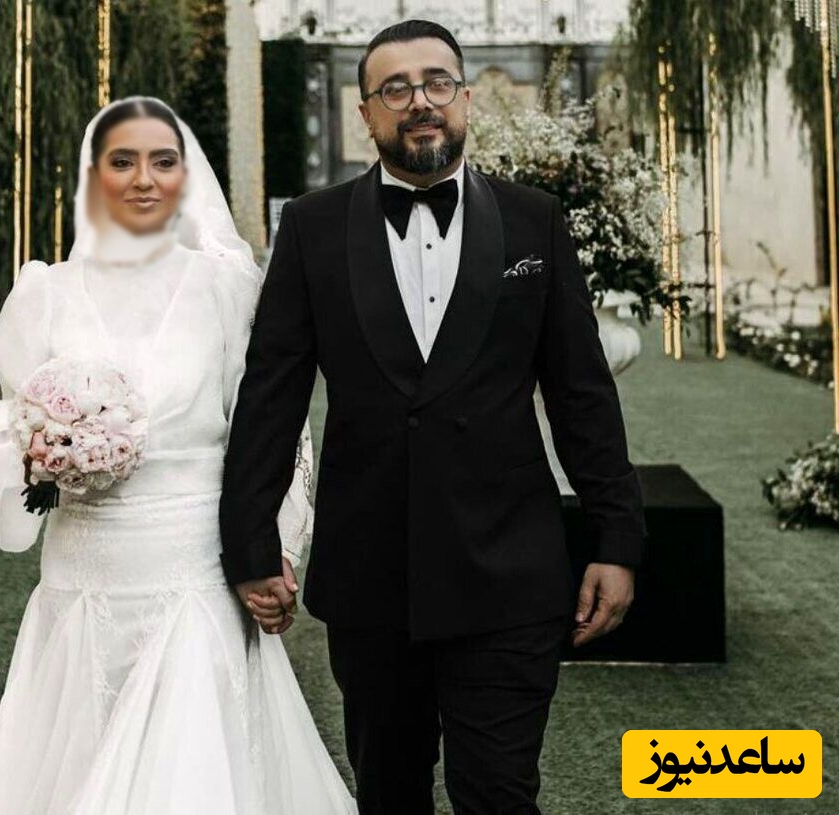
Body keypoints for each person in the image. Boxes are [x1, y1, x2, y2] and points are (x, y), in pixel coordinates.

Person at [220, 20, 648, 815]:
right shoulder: (312, 228)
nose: (419, 101)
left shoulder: (534, 220)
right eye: (395, 88)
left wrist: (616, 539)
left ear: (466, 98)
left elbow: (583, 395)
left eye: (436, 82)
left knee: (498, 794)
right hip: (370, 579)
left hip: (509, 572)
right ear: (366, 113)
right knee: (389, 793)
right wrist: (250, 544)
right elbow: (271, 394)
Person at [0, 96, 355, 814]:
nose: (144, 178)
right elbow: (15, 428)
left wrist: (277, 547)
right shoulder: (44, 294)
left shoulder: (227, 289)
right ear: (93, 175)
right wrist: (47, 451)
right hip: (85, 563)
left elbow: (274, 430)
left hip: (194, 564)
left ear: (185, 175)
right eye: (123, 161)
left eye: (163, 161)